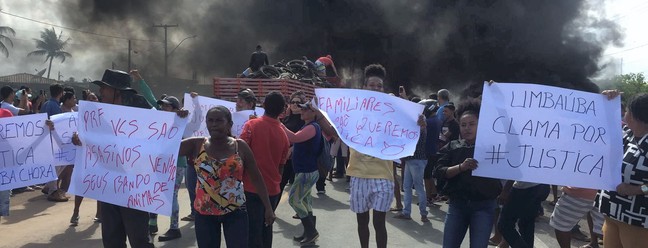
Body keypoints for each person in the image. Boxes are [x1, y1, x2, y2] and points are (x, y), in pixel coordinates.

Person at [72, 69, 159, 248]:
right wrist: (81, 139)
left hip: (134, 186)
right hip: (109, 185)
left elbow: (162, 127)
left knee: (139, 240)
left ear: (117, 91)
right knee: (111, 240)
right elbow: (95, 142)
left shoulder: (139, 107)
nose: (101, 92)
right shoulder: (99, 112)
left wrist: (179, 117)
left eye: (104, 88)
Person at [347, 64, 423, 248]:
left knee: (379, 223)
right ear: (364, 87)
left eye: (379, 86)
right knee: (362, 222)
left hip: (383, 176)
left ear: (383, 88)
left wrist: (412, 113)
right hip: (358, 174)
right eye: (371, 85)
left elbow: (410, 127)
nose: (375, 88)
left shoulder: (392, 108)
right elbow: (336, 124)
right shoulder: (353, 107)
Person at [178, 106, 275, 247]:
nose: (214, 124)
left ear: (229, 124)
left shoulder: (240, 147)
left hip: (235, 211)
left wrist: (268, 207)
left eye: (219, 120)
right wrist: (177, 121)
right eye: (210, 120)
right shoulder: (196, 144)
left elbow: (256, 177)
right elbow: (166, 147)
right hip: (205, 213)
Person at [434, 98, 503, 248]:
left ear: (481, 124)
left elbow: (512, 138)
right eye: (463, 125)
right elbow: (439, 172)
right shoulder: (453, 146)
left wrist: (497, 95)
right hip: (457, 206)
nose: (467, 128)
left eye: (472, 124)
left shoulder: (493, 148)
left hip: (484, 207)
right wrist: (461, 167)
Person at [596, 91, 648, 248]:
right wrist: (606, 101)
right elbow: (595, 126)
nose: (624, 113)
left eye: (628, 110)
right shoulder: (626, 135)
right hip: (612, 212)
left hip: (637, 220)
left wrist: (638, 189)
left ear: (635, 115)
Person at [240, 91, 290, 248]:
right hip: (272, 189)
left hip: (251, 188)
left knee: (252, 232)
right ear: (282, 110)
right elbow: (282, 165)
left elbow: (239, 152)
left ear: (263, 104)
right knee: (266, 228)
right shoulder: (284, 134)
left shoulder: (251, 125)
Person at [146, 96, 188, 241]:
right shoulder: (158, 121)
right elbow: (150, 99)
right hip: (159, 163)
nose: (163, 109)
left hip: (176, 164)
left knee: (172, 195)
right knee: (153, 191)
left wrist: (182, 115)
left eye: (167, 107)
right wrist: (140, 81)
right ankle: (152, 224)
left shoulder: (181, 120)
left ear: (176, 110)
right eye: (162, 106)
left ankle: (174, 228)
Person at [282, 99, 321, 245]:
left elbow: (294, 138)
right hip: (304, 170)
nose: (302, 111)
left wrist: (278, 124)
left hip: (306, 171)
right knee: (305, 201)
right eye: (302, 109)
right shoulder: (308, 126)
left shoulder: (312, 127)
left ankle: (311, 231)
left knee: (294, 200)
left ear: (314, 113)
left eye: (305, 109)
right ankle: (309, 232)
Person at [394, 103, 428, 222]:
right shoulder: (417, 127)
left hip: (416, 160)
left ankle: (423, 213)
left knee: (417, 187)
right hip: (412, 160)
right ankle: (407, 212)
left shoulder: (420, 128)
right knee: (407, 187)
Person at [497, 180, 550, 248]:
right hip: (540, 185)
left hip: (523, 187)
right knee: (526, 225)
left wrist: (505, 190)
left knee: (504, 225)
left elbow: (516, 171)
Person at [40, 83, 69, 202]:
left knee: (57, 164)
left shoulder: (46, 104)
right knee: (58, 164)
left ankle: (49, 186)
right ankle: (53, 191)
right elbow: (58, 125)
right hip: (54, 139)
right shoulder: (55, 106)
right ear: (61, 93)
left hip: (46, 139)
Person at [279, 91, 307, 204]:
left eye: (298, 103)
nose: (295, 104)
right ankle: (272, 209)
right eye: (293, 102)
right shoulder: (285, 119)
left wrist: (293, 148)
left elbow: (305, 138)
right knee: (280, 184)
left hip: (299, 156)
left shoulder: (305, 120)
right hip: (286, 158)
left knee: (300, 187)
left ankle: (303, 213)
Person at [0, 108, 14, 222]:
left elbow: (19, 136)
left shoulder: (6, 113)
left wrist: (45, 127)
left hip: (4, 164)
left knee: (3, 199)